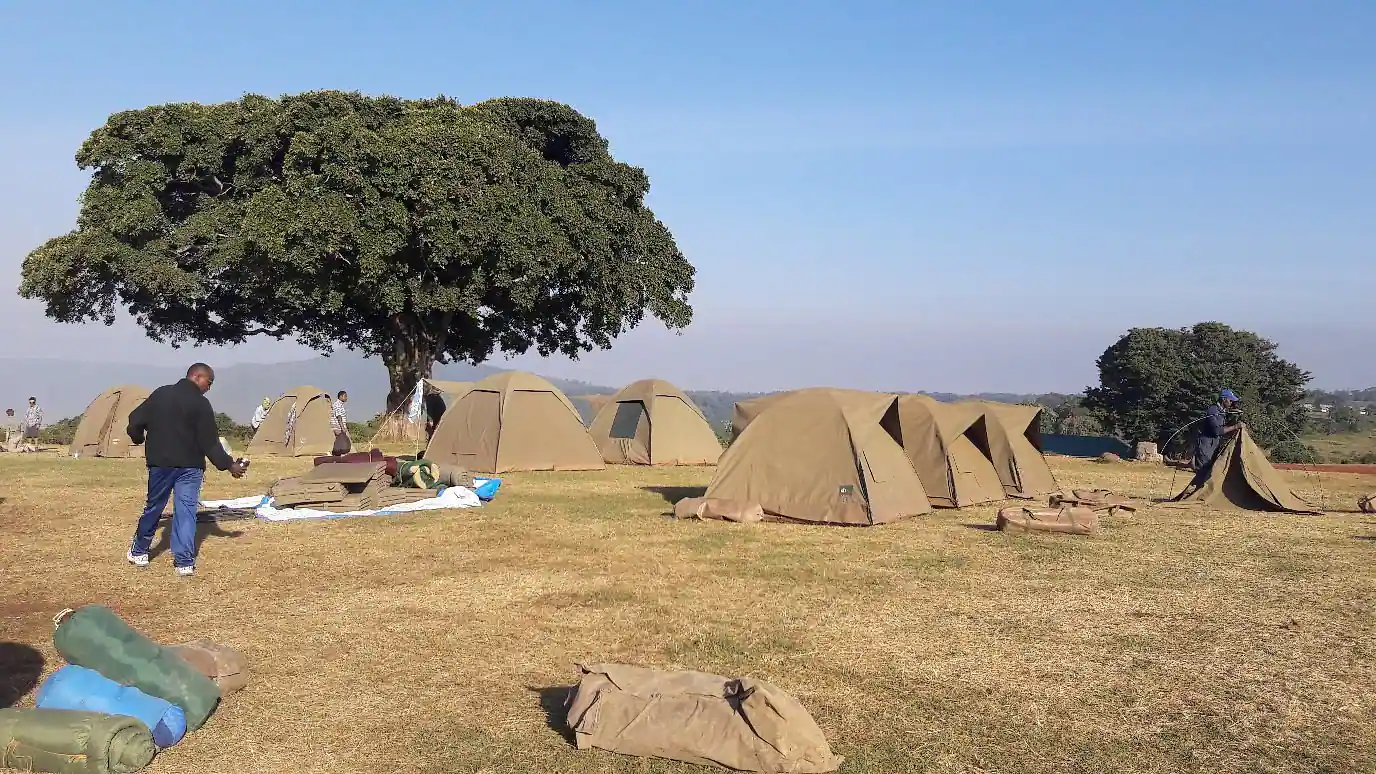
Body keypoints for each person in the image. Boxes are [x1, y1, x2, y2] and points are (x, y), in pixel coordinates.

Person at [126, 363, 246, 577]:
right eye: (209, 382)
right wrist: (229, 465)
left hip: (160, 464)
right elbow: (210, 442)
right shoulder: (201, 404)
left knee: (154, 507)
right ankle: (184, 563)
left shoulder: (161, 394)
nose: (209, 387)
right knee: (186, 512)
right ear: (197, 377)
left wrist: (137, 437)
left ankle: (140, 552)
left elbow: (135, 420)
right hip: (191, 467)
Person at [1173, 388, 1244, 501]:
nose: (1232, 403)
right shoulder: (1213, 410)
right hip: (1206, 446)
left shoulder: (1221, 412)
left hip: (1213, 446)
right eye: (1230, 400)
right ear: (1224, 399)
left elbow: (1222, 430)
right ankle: (1189, 497)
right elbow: (1216, 431)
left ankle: (1197, 497)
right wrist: (1235, 426)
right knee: (1203, 473)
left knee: (1208, 473)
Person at [331, 390, 351, 455]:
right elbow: (339, 417)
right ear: (341, 396)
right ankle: (338, 455)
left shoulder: (340, 405)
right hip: (338, 427)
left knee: (341, 443)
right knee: (344, 442)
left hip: (339, 427)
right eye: (345, 396)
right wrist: (342, 428)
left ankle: (338, 455)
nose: (346, 398)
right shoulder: (337, 405)